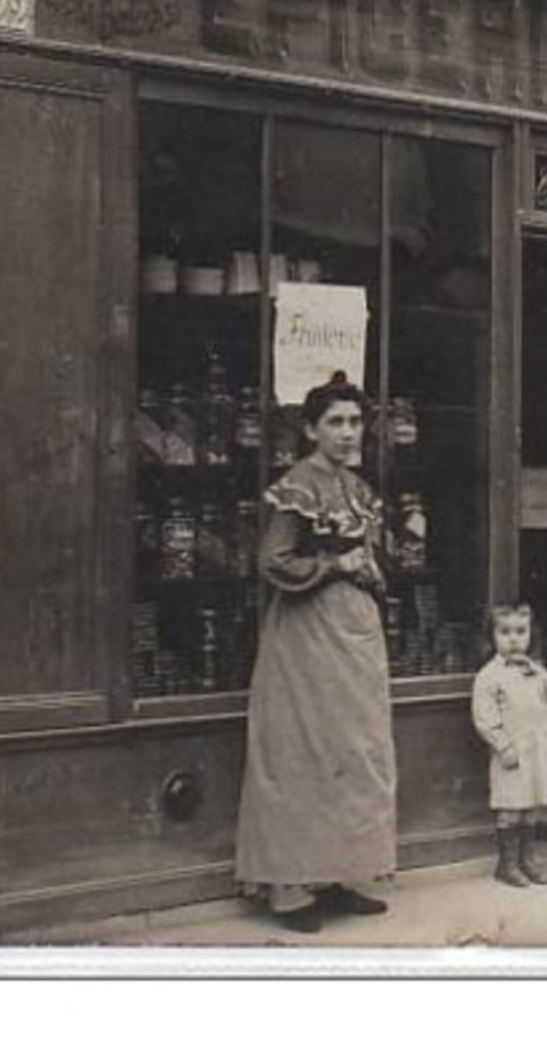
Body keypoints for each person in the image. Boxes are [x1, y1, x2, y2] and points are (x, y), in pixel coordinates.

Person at [233, 371, 396, 933]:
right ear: (310, 429)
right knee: (303, 748)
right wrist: (335, 565)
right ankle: (290, 888)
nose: (349, 433)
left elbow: (369, 552)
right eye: (336, 422)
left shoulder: (358, 489)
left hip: (355, 632)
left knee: (353, 749)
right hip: (307, 634)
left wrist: (370, 570)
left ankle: (337, 873)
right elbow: (274, 561)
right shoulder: (297, 485)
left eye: (356, 422)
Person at [470, 604, 547, 887]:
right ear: (492, 636)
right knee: (511, 807)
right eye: (505, 632)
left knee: (532, 806)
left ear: (531, 635)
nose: (513, 639)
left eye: (521, 632)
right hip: (511, 755)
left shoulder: (539, 673)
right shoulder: (489, 676)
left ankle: (528, 859)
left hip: (537, 751)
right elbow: (484, 717)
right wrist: (502, 745)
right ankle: (507, 863)